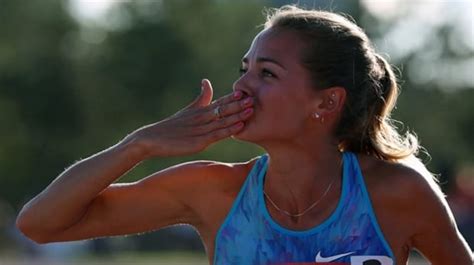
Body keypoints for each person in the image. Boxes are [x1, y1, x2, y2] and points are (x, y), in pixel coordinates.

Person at [16, 5, 472, 265]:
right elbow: (40, 223)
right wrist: (141, 144)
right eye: (244, 69)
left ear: (326, 102)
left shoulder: (397, 192)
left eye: (267, 73)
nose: (241, 86)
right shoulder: (213, 191)